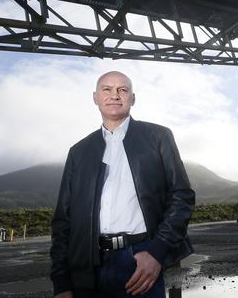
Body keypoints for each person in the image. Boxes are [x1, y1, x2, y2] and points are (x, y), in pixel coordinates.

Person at [50, 71, 195, 298]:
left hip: (140, 261)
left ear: (133, 98)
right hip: (87, 266)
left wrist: (156, 253)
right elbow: (63, 220)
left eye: (122, 90)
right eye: (106, 89)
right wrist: (61, 282)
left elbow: (181, 196)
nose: (114, 95)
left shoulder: (158, 137)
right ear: (95, 98)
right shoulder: (78, 152)